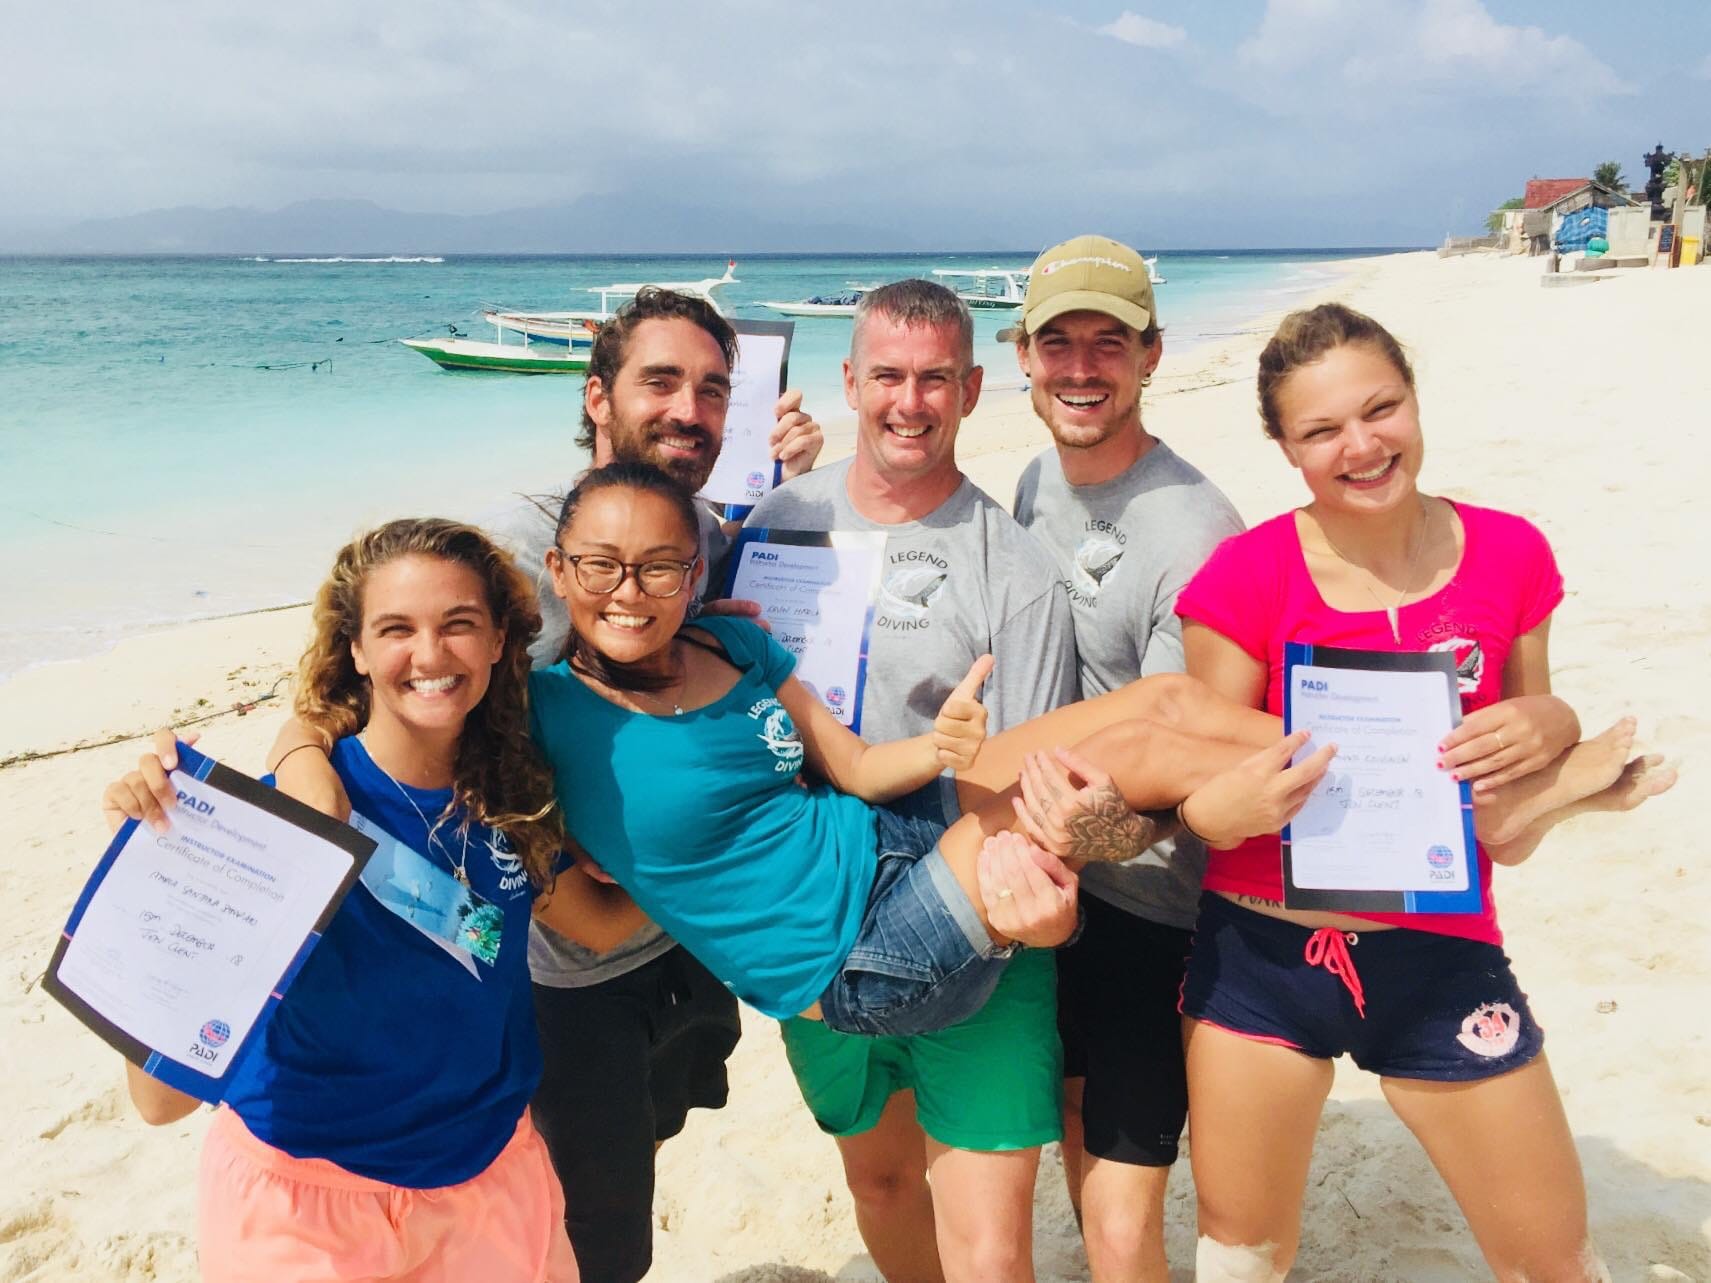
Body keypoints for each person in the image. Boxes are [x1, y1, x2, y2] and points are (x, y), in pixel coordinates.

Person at [275, 287, 825, 1283]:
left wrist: (786, 489)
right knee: (588, 1238)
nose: (689, 410)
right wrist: (301, 766)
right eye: (659, 381)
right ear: (597, 396)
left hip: (676, 938)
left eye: (712, 389)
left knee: (636, 1172)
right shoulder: (521, 548)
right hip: (565, 973)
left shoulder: (701, 529)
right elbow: (360, 678)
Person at [1172, 303, 1677, 1282]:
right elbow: (1192, 769)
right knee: (1238, 1261)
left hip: (1441, 946)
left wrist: (1552, 721)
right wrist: (1212, 810)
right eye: (1321, 430)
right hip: (1261, 953)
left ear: (1412, 399)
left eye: (1380, 408)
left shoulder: (1507, 554)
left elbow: (1506, 817)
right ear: (1284, 446)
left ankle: (1577, 785)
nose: (1360, 445)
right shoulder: (1246, 575)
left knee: (1555, 1261)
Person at [103, 518, 650, 1282]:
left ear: (499, 640)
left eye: (459, 624)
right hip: (306, 1203)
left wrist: (730, 854)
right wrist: (161, 870)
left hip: (487, 1181)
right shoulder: (278, 819)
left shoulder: (514, 800)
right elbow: (159, 1100)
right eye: (396, 628)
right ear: (355, 649)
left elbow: (595, 926)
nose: (429, 655)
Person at [743, 278, 1082, 1283]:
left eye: (935, 378)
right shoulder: (776, 521)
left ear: (972, 389)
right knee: (882, 1187)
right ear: (848, 381)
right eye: (886, 375)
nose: (909, 401)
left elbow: (1028, 789)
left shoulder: (1014, 566)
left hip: (975, 920)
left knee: (990, 1244)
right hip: (814, 920)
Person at [1004, 234, 1244, 1283]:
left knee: (1118, 1219)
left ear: (1151, 354)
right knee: (1073, 1140)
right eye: (1059, 341)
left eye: (1110, 342)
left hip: (1148, 910)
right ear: (1021, 356)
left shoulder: (1192, 527)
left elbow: (1191, 765)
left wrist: (1074, 830)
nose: (1082, 367)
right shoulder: (1030, 484)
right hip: (1052, 885)